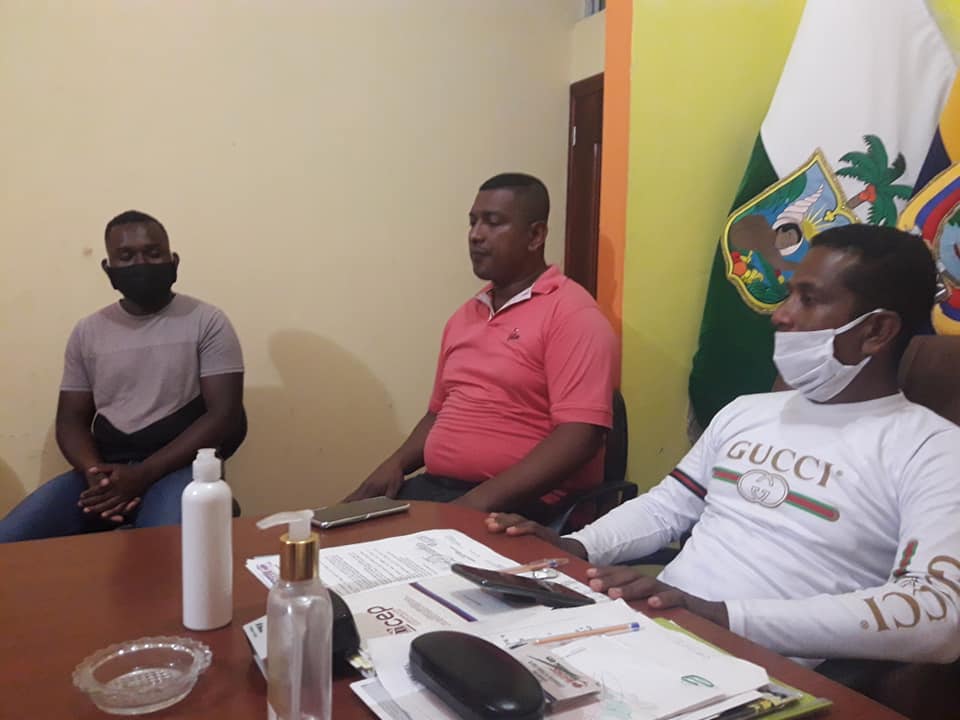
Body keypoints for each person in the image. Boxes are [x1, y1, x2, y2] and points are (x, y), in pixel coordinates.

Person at [488, 224, 960, 666]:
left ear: (877, 331)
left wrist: (720, 616)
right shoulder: (747, 412)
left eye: (809, 299)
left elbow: (938, 615)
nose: (781, 314)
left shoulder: (932, 450)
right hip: (649, 629)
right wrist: (575, 546)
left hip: (758, 671)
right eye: (789, 294)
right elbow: (666, 508)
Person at [347, 173, 617, 524]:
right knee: (328, 536)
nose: (476, 235)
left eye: (493, 222)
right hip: (439, 490)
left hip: (519, 507)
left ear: (535, 236)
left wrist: (471, 506)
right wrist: (395, 464)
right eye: (473, 222)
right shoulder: (465, 316)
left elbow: (580, 436)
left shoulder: (572, 315)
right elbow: (439, 413)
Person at [0, 210, 246, 542]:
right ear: (108, 268)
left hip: (178, 466)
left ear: (173, 261)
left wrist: (142, 475)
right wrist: (96, 476)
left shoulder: (207, 321)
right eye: (126, 256)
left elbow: (224, 416)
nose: (140, 263)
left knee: (159, 551)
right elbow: (71, 420)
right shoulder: (87, 332)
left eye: (153, 253)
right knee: (10, 541)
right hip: (106, 468)